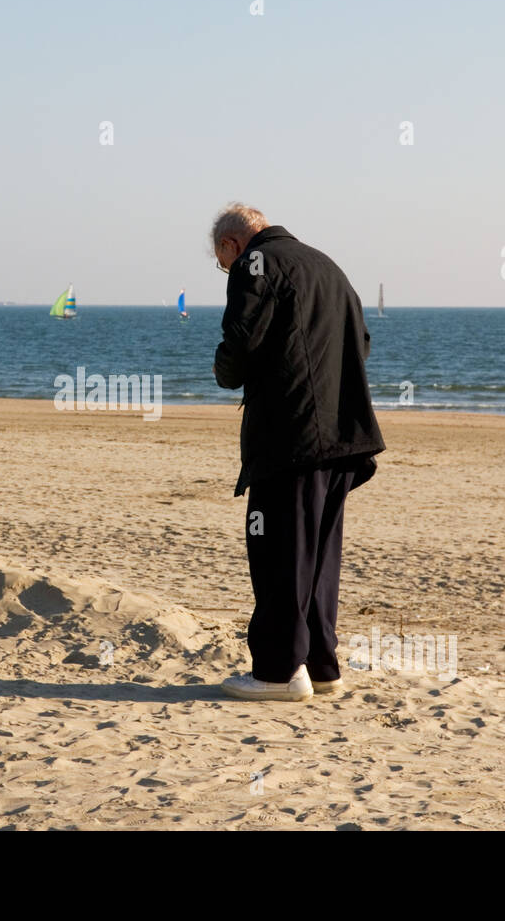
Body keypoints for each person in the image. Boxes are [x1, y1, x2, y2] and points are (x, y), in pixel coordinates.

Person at [211, 204, 385, 702]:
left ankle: (278, 670)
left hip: (290, 437)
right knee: (319, 554)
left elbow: (240, 339)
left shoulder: (255, 263)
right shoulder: (327, 265)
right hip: (341, 437)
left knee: (278, 552)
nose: (227, 270)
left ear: (231, 246)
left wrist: (227, 371)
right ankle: (320, 664)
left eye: (222, 264)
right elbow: (362, 342)